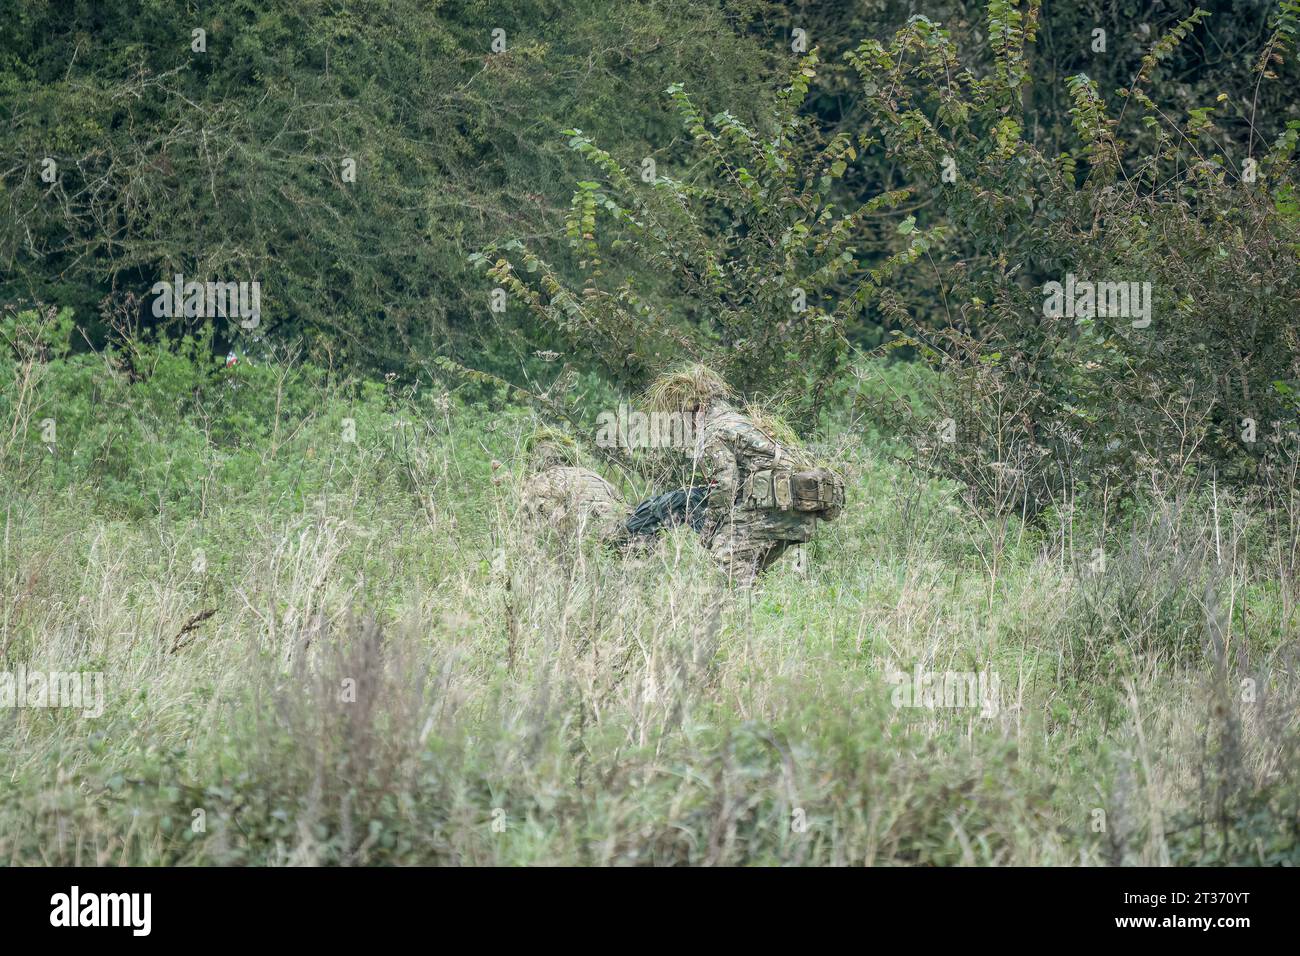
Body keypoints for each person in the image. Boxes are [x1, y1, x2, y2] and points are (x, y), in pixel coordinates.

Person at [643, 364, 844, 584]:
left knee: (725, 556)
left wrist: (710, 528)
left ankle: (742, 612)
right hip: (796, 510)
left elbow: (726, 483)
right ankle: (755, 610)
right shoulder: (740, 422)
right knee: (750, 567)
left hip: (776, 506)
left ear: (699, 410)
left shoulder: (715, 431)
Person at [519, 428, 627, 546]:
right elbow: (622, 507)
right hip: (613, 534)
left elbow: (526, 522)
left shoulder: (541, 479)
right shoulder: (593, 475)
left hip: (575, 538)